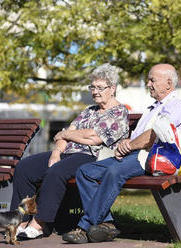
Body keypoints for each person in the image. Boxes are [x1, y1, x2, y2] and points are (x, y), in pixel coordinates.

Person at [62, 63, 181, 244]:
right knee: (85, 171)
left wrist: (129, 145)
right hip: (136, 157)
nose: (148, 84)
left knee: (114, 172)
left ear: (169, 84)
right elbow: (139, 136)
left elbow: (154, 134)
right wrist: (126, 144)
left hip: (154, 159)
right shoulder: (152, 108)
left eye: (152, 80)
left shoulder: (176, 106)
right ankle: (107, 225)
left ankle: (84, 227)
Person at [10, 63, 129, 239]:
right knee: (25, 168)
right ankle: (21, 220)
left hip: (91, 157)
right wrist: (56, 153)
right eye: (92, 87)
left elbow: (95, 139)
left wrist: (69, 134)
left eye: (100, 88)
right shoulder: (89, 111)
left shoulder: (119, 112)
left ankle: (41, 223)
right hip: (67, 153)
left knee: (56, 171)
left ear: (112, 89)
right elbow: (62, 136)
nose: (95, 91)